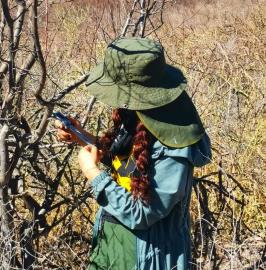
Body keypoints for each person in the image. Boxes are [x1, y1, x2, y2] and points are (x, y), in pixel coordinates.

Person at [55, 38, 211, 270]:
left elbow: (143, 213)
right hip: (113, 246)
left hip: (149, 257)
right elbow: (131, 165)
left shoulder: (176, 146)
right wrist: (81, 136)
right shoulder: (138, 116)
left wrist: (92, 172)